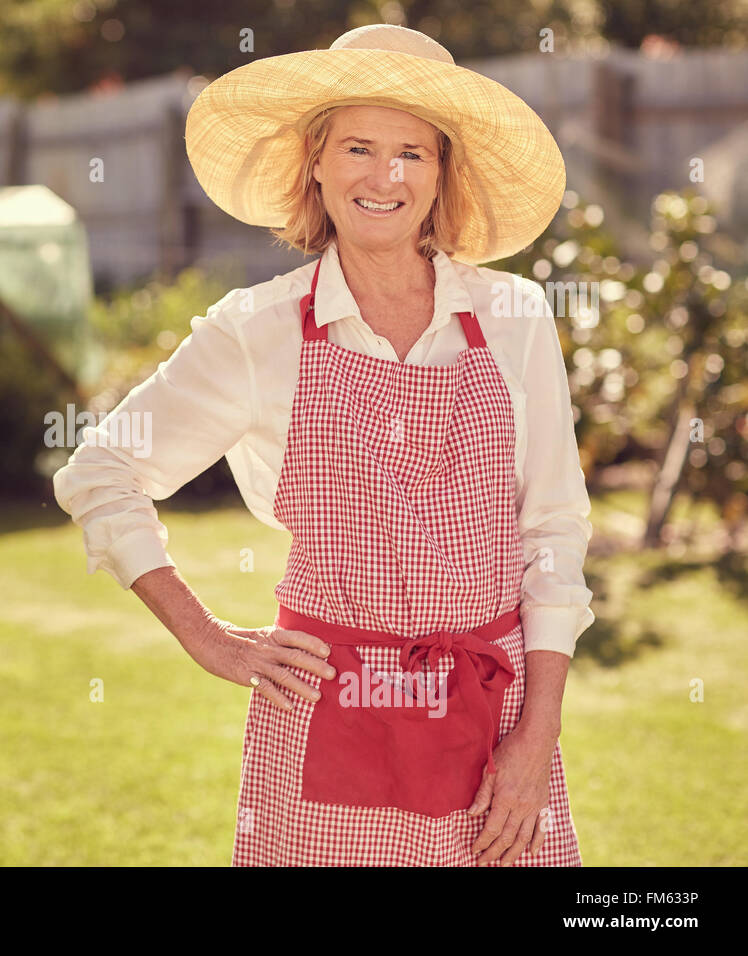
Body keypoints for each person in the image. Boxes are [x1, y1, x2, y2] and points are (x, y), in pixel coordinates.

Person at [53, 23, 594, 866]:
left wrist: (536, 737)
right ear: (314, 158)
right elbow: (102, 473)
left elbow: (555, 533)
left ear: (443, 169)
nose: (386, 177)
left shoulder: (516, 320)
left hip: (493, 734)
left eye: (414, 152)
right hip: (320, 727)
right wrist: (209, 638)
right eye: (358, 147)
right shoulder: (258, 331)